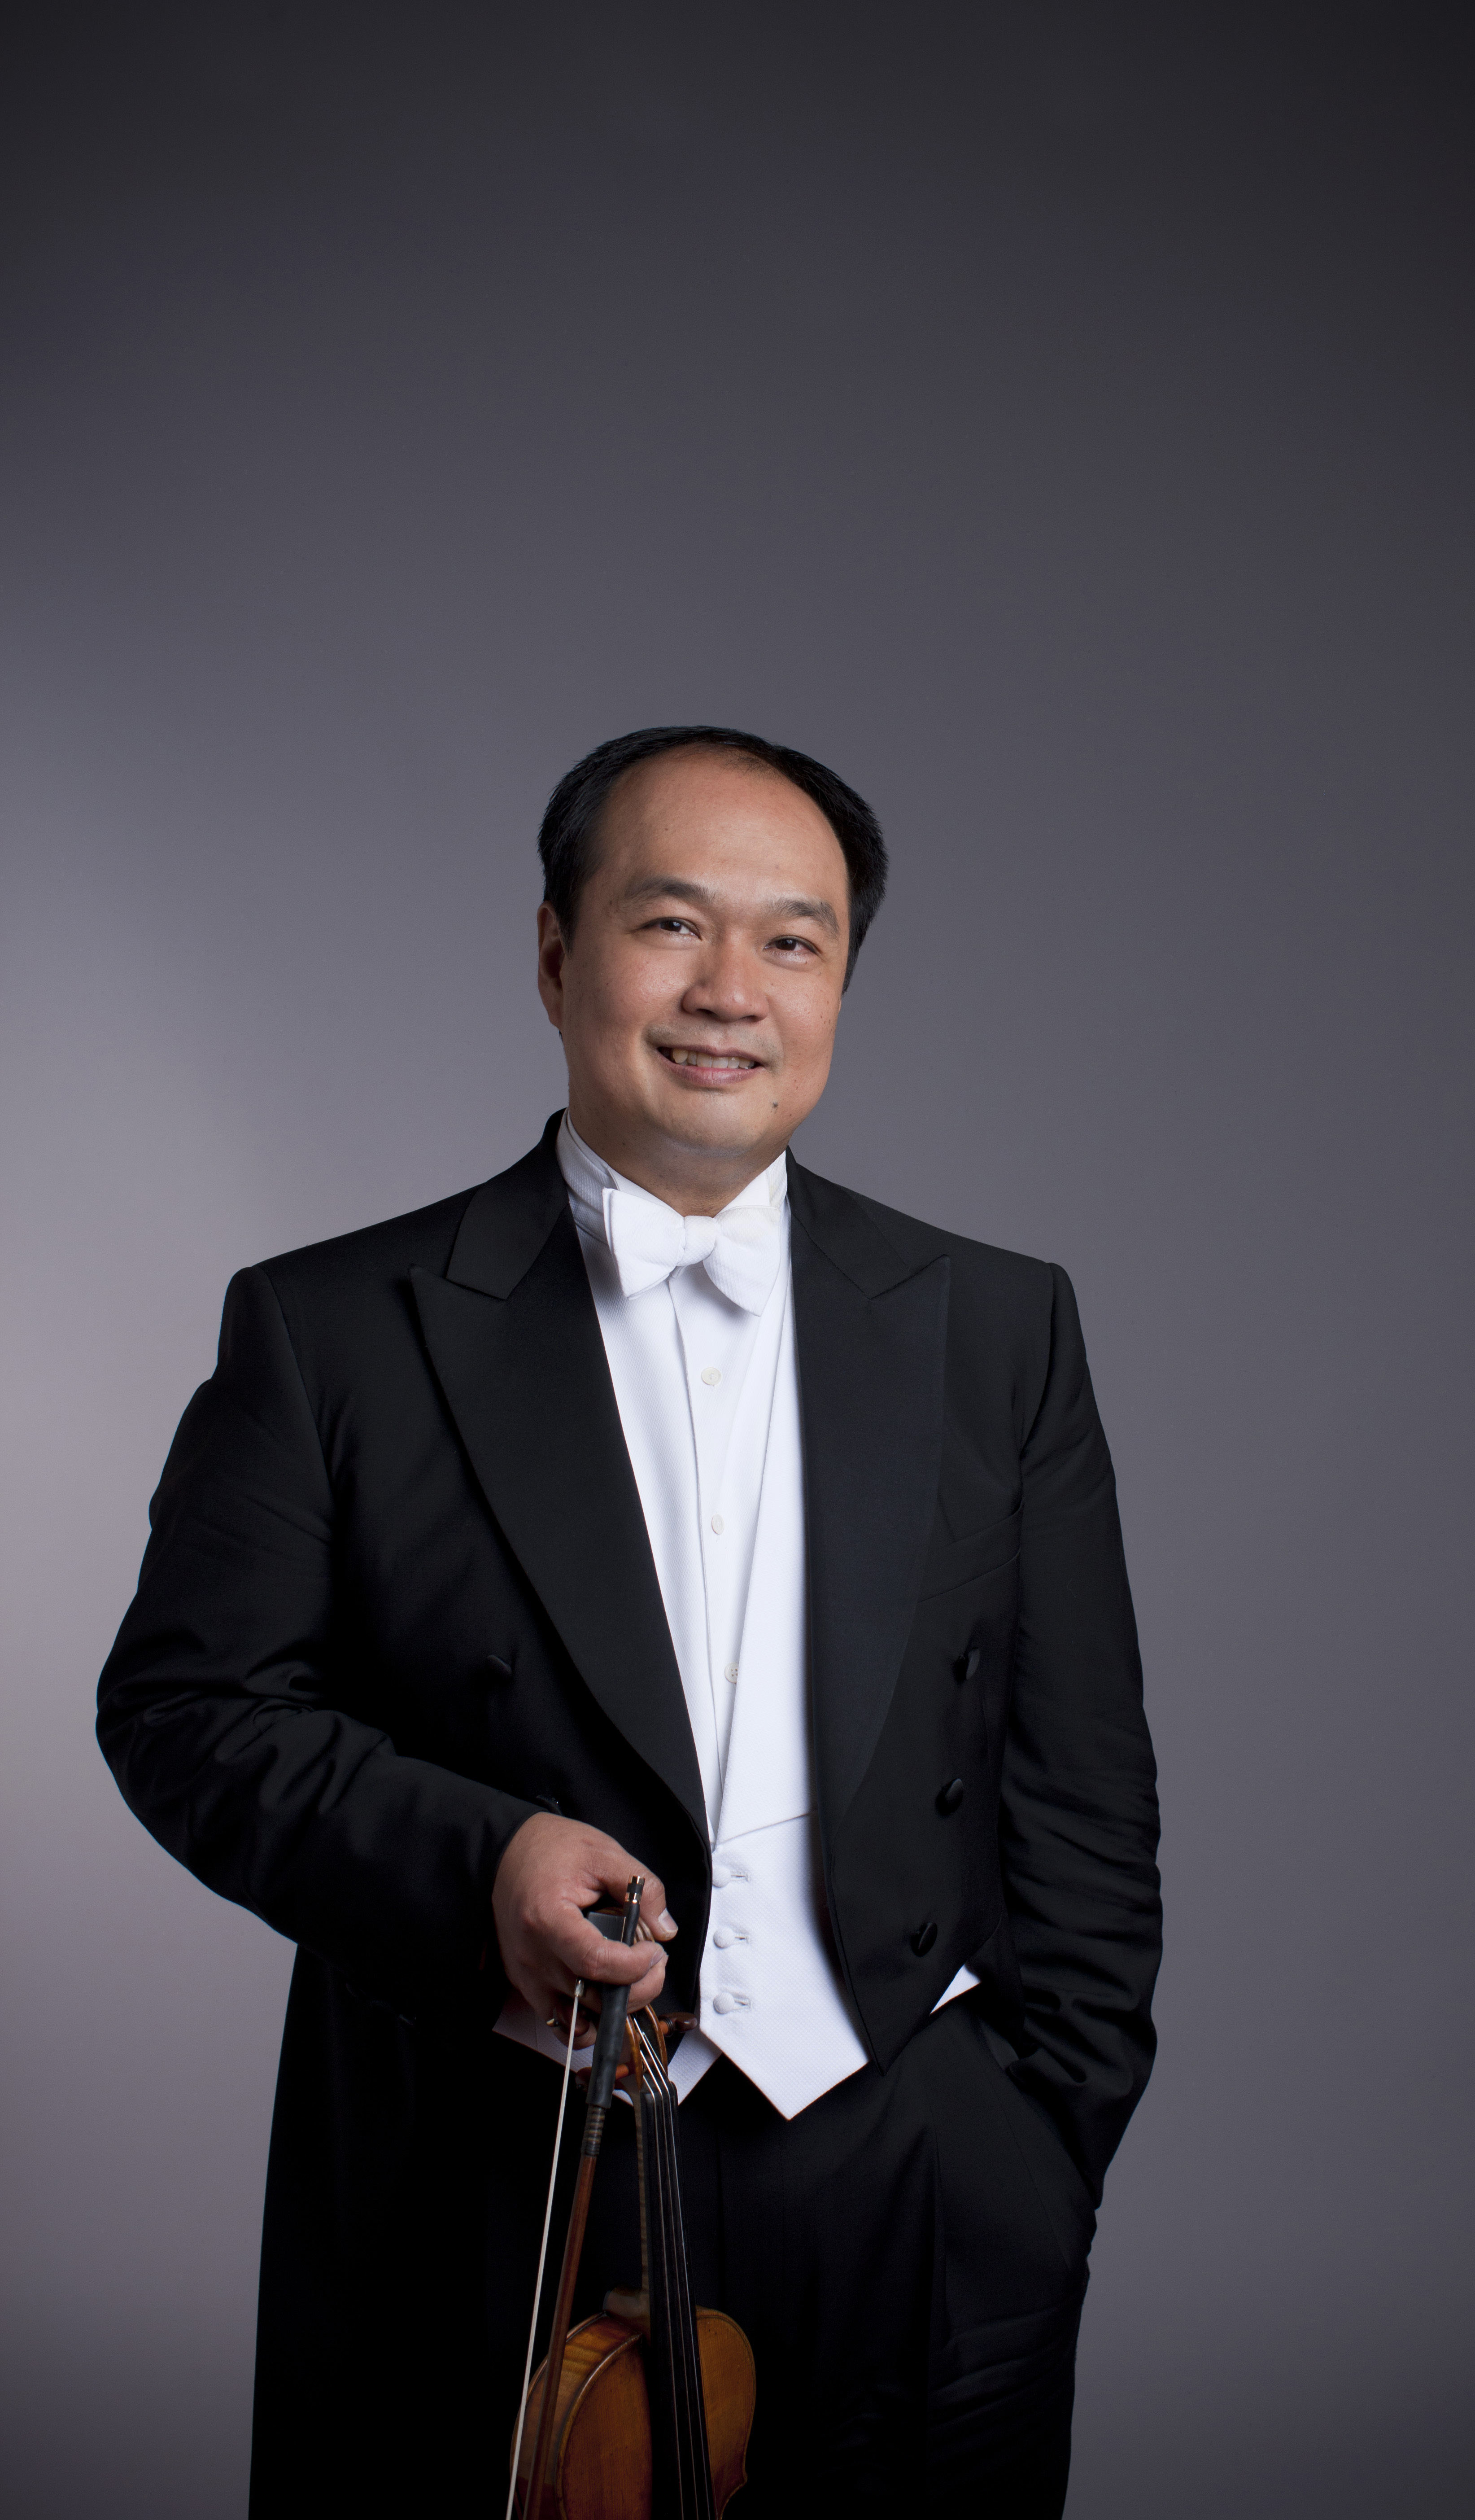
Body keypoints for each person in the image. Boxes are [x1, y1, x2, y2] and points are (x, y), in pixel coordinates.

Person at [97, 725, 1162, 2519]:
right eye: (672, 924)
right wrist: (483, 1860)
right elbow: (187, 1713)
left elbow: (1084, 1782)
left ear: (841, 982)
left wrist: (1036, 2145)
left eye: (794, 940)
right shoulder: (331, 1328)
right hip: (496, 2185)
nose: (731, 990)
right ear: (555, 953)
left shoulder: (998, 1326)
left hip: (913, 2180)